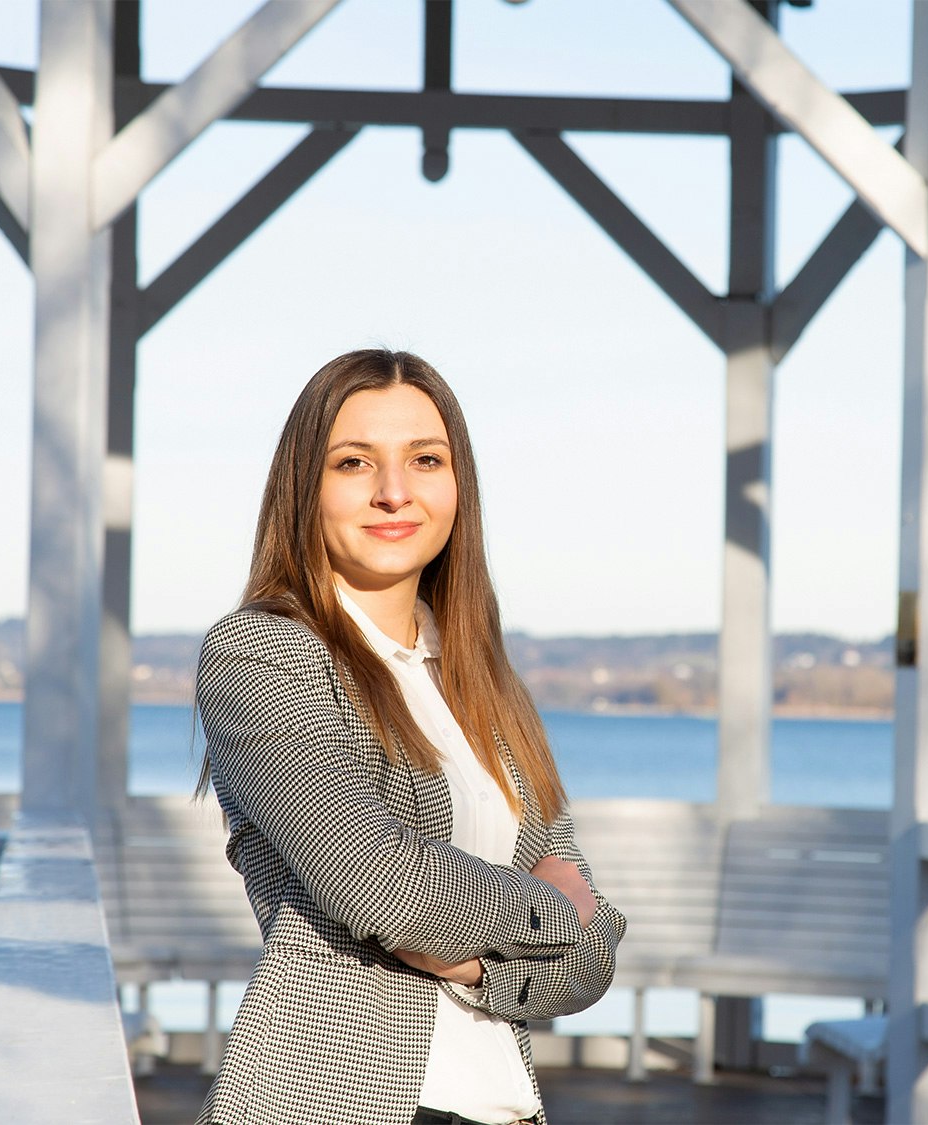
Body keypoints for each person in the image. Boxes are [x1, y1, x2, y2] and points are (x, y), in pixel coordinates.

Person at [191, 348, 627, 1125]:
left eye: (426, 459)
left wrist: (480, 955)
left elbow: (594, 965)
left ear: (458, 484)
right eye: (354, 462)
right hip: (341, 1101)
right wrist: (555, 913)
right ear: (304, 489)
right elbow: (387, 885)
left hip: (506, 1109)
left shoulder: (484, 681)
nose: (395, 492)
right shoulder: (261, 654)